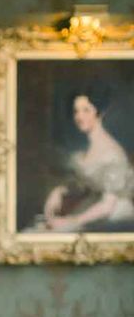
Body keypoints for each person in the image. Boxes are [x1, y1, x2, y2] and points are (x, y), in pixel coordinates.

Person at [42, 89, 134, 232]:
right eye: (76, 111)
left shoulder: (113, 154)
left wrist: (73, 221)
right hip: (93, 208)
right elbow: (86, 184)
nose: (79, 116)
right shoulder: (87, 150)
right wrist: (59, 191)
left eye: (86, 110)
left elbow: (108, 206)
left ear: (100, 113)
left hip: (114, 216)